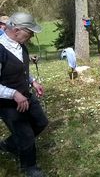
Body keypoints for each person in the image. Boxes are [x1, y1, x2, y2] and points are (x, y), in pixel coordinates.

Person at [0, 12, 48, 177]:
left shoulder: (21, 45)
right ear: (17, 30)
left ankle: (9, 144)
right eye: (29, 33)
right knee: (26, 134)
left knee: (41, 122)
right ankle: (29, 167)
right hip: (7, 103)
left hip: (25, 94)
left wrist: (32, 81)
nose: (32, 36)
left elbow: (20, 69)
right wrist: (13, 94)